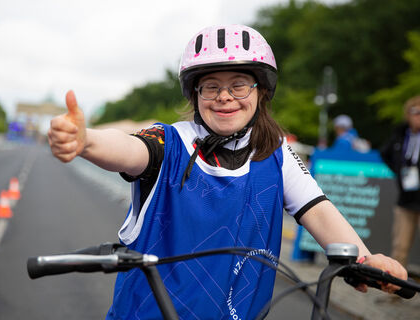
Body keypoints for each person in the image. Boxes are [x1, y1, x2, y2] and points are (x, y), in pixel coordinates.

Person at [48, 25, 407, 319]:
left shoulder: (276, 152)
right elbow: (130, 150)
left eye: (238, 84)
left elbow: (318, 209)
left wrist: (365, 259)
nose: (224, 96)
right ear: (195, 94)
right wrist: (86, 141)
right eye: (211, 86)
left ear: (261, 91)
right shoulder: (169, 141)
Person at [380, 95, 420, 269]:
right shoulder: (401, 134)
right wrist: (399, 172)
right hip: (406, 200)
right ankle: (393, 293)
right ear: (408, 114)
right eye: (416, 112)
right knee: (400, 247)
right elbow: (385, 153)